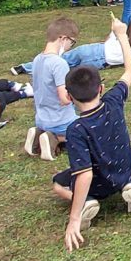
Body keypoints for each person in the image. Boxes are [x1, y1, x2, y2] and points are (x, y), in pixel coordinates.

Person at [57, 16, 131, 251]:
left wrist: (73, 219)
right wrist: (121, 34)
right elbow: (130, 68)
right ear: (101, 88)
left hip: (99, 184)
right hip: (125, 169)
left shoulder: (76, 129)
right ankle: (129, 185)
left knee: (58, 183)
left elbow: (83, 174)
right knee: (129, 164)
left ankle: (90, 201)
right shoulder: (113, 100)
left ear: (70, 96)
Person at [11, 16, 131, 75]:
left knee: (59, 58)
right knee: (64, 68)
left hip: (92, 48)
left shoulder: (121, 32)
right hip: (98, 59)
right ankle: (39, 70)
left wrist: (113, 29)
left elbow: (107, 40)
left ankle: (24, 67)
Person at [23, 17, 81, 161]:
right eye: (71, 42)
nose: (70, 46)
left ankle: (39, 133)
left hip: (42, 118)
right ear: (63, 38)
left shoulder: (37, 60)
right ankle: (55, 138)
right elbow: (64, 98)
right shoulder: (59, 63)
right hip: (61, 120)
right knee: (88, 131)